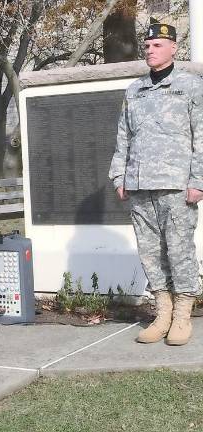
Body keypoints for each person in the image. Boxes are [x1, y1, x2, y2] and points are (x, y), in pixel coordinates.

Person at [109, 19, 203, 346]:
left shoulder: (191, 86)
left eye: (158, 45)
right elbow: (124, 136)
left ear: (174, 48)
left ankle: (182, 316)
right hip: (139, 185)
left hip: (177, 186)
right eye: (147, 46)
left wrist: (199, 180)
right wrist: (119, 175)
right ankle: (162, 313)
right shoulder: (134, 90)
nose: (150, 50)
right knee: (149, 253)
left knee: (179, 252)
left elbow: (201, 137)